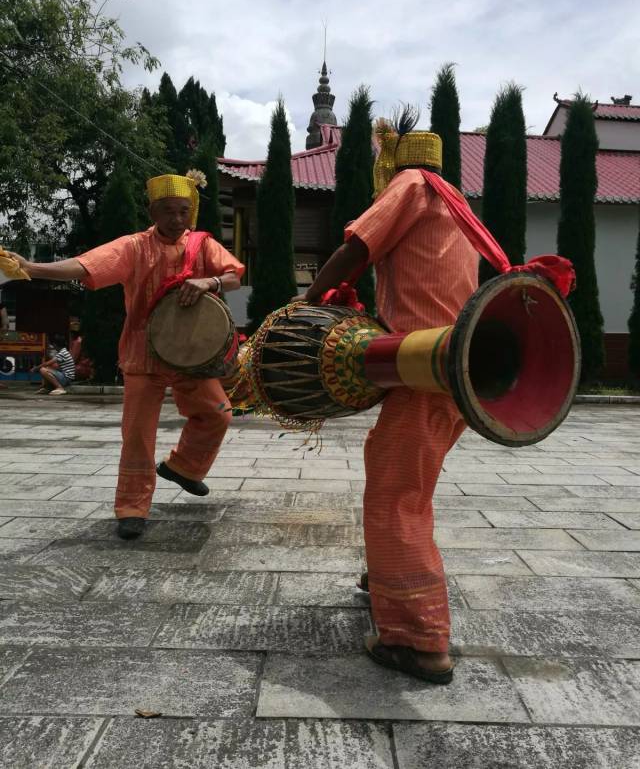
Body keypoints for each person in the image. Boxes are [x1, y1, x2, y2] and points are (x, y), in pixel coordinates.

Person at [296, 111, 478, 684]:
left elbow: (356, 249)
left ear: (394, 162)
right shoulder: (455, 202)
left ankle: (419, 640)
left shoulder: (411, 187)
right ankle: (383, 575)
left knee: (398, 495)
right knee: (404, 474)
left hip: (424, 365)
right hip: (456, 367)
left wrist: (306, 304)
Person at [5, 172, 244, 540]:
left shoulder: (202, 245)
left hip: (191, 355)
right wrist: (33, 268)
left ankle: (184, 466)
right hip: (142, 352)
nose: (177, 219)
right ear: (153, 211)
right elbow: (86, 265)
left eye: (183, 211)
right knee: (137, 434)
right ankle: (132, 507)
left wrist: (208, 282)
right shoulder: (134, 247)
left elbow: (234, 276)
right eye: (168, 211)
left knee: (219, 413)